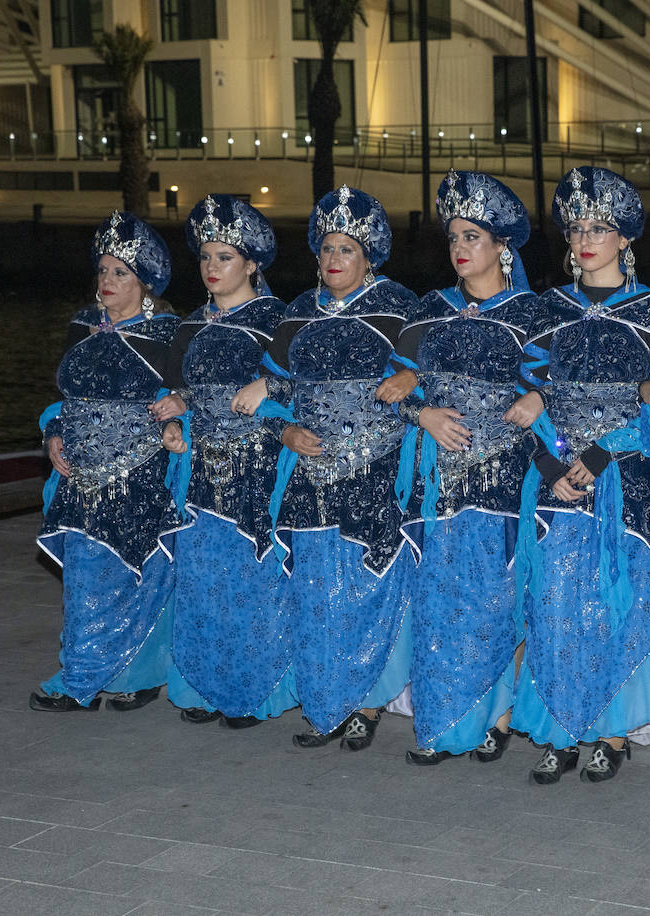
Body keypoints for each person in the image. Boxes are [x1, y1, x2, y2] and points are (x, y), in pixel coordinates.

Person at [511, 166, 650, 784]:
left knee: (613, 602)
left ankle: (611, 731)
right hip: (558, 482)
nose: (586, 239)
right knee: (555, 603)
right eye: (577, 228)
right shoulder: (548, 311)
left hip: (626, 482)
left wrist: (599, 456)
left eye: (600, 229)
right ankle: (560, 727)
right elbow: (525, 399)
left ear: (624, 240)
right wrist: (554, 463)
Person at [394, 170, 551, 766]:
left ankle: (499, 716)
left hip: (505, 479)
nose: (459, 248)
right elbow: (390, 390)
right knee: (439, 602)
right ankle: (440, 725)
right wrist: (422, 411)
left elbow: (555, 390)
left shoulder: (533, 313)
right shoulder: (430, 309)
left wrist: (539, 399)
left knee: (495, 599)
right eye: (453, 237)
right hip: (437, 482)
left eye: (472, 237)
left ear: (502, 247)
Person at [263, 186, 420, 751]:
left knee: (367, 587)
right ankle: (325, 700)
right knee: (313, 588)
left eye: (346, 249)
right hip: (309, 474)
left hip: (376, 468)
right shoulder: (297, 312)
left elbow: (440, 370)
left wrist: (414, 380)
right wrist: (283, 428)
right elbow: (270, 390)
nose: (333, 259)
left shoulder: (402, 306)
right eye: (326, 248)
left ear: (370, 255)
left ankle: (368, 704)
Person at [155, 194, 296, 728]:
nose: (212, 269)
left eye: (225, 258)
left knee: (251, 579)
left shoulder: (278, 319)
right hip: (200, 467)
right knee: (202, 576)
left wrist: (269, 382)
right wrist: (173, 416)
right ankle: (202, 685)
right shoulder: (190, 324)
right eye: (206, 258)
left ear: (252, 264)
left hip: (258, 464)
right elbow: (183, 391)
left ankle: (255, 690)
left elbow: (307, 381)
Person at [32, 211, 181, 712]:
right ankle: (80, 677)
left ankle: (136, 674)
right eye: (103, 271)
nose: (108, 281)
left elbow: (191, 395)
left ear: (145, 283)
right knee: (83, 581)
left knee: (136, 577)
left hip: (139, 474)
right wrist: (53, 433)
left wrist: (176, 410)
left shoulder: (167, 334)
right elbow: (64, 397)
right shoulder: (82, 324)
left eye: (121, 272)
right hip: (80, 476)